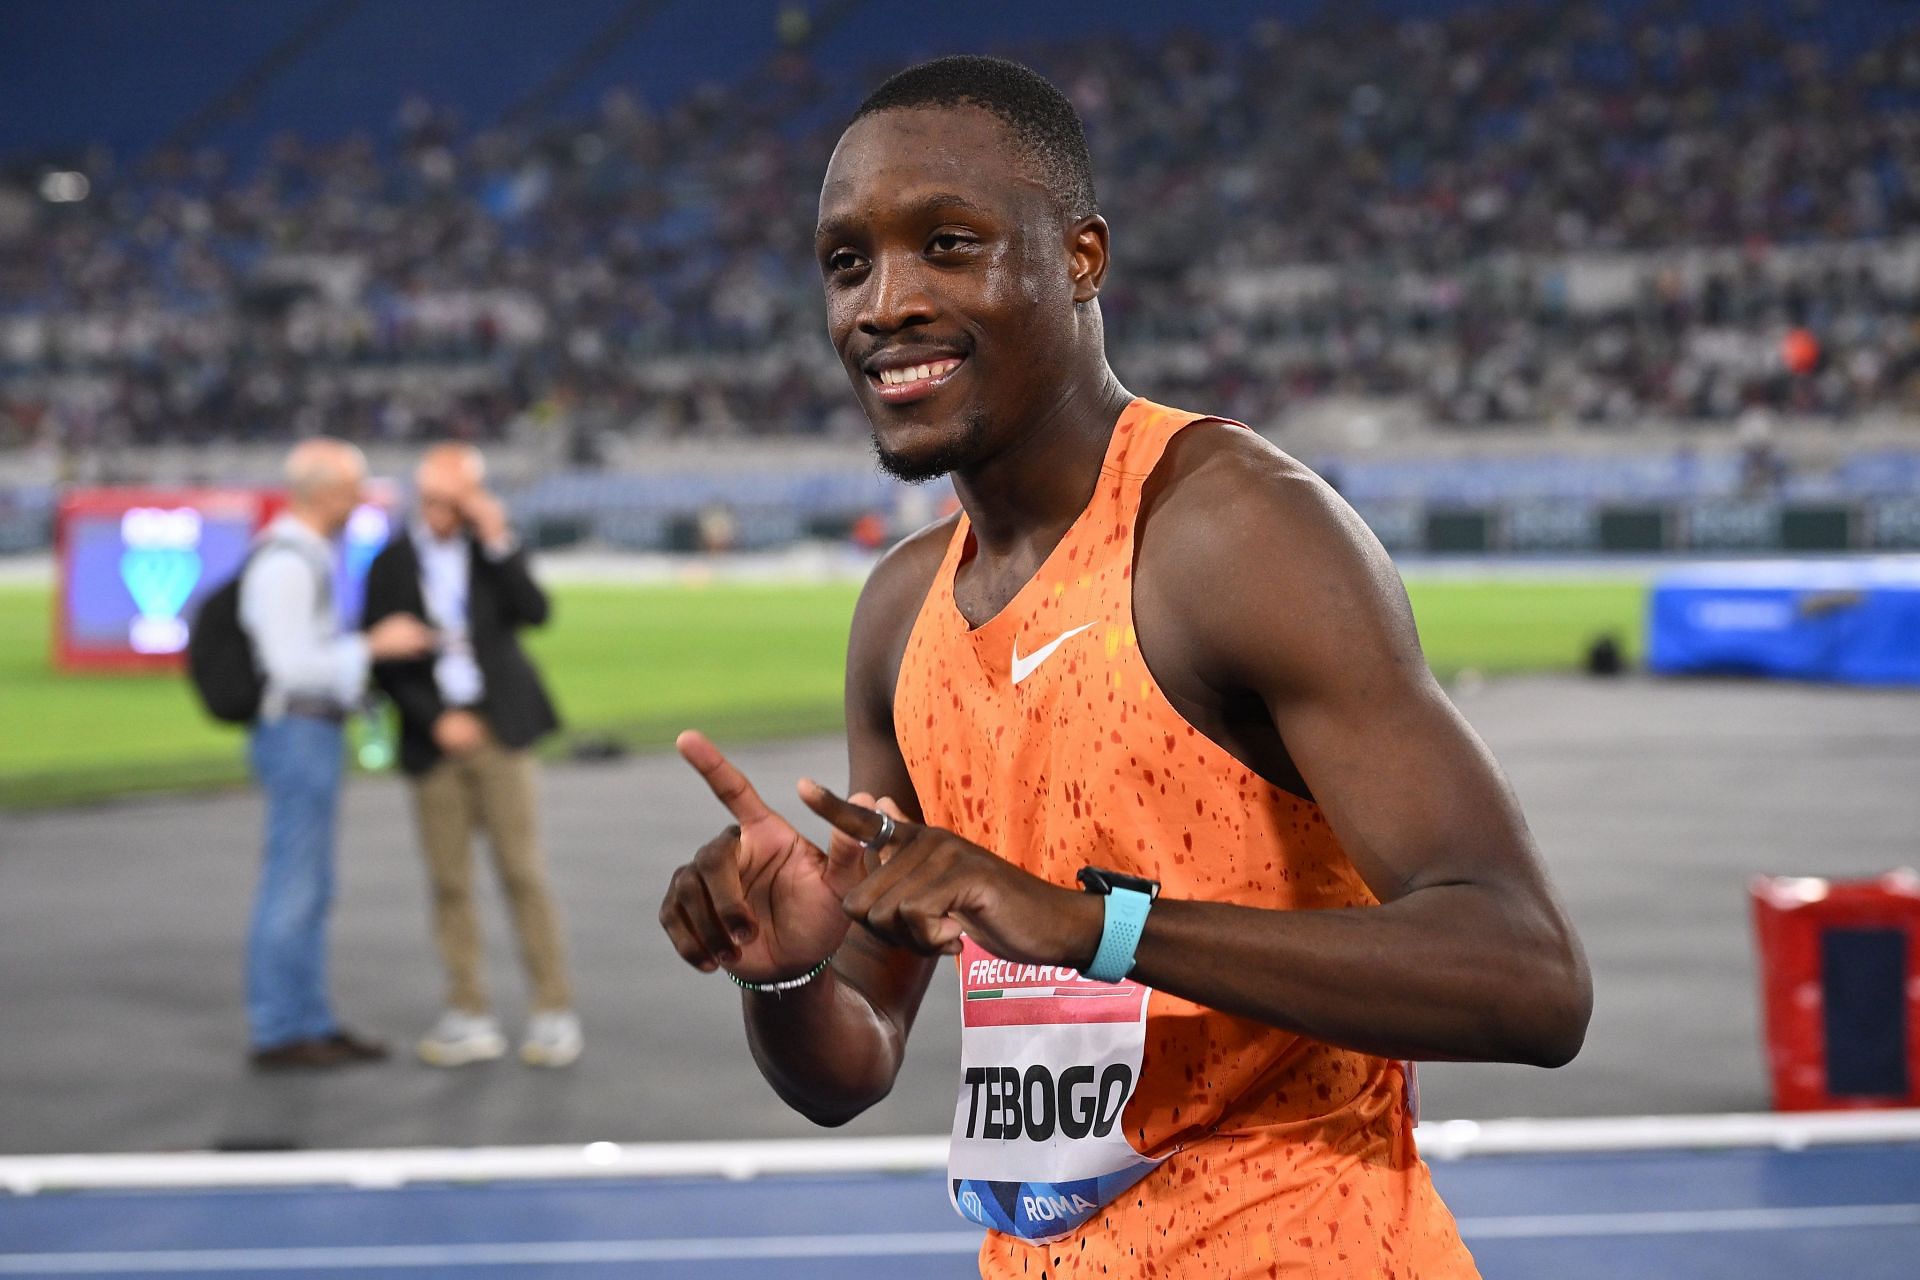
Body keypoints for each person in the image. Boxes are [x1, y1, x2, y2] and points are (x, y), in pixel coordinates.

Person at [660, 56, 1592, 1275]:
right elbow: (857, 1054)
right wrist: (781, 980)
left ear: (1082, 258)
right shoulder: (901, 616)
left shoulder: (1228, 532)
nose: (883, 303)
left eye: (948, 244)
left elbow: (1526, 973)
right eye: (848, 263)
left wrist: (1093, 926)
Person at [362, 443, 581, 1069]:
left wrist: (498, 538)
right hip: (434, 741)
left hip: (501, 730)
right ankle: (469, 1010)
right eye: (433, 500)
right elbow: (382, 659)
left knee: (522, 873)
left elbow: (535, 613)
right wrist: (436, 720)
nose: (441, 513)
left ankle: (553, 1009)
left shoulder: (489, 553)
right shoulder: (391, 563)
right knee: (449, 882)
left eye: (454, 501)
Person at [242, 438, 437, 1070]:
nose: (362, 500)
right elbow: (290, 665)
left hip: (311, 729)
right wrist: (370, 647)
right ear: (324, 492)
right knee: (295, 885)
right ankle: (281, 1029)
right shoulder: (288, 562)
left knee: (310, 884)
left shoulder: (307, 554)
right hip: (297, 728)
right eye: (354, 488)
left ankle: (308, 1021)